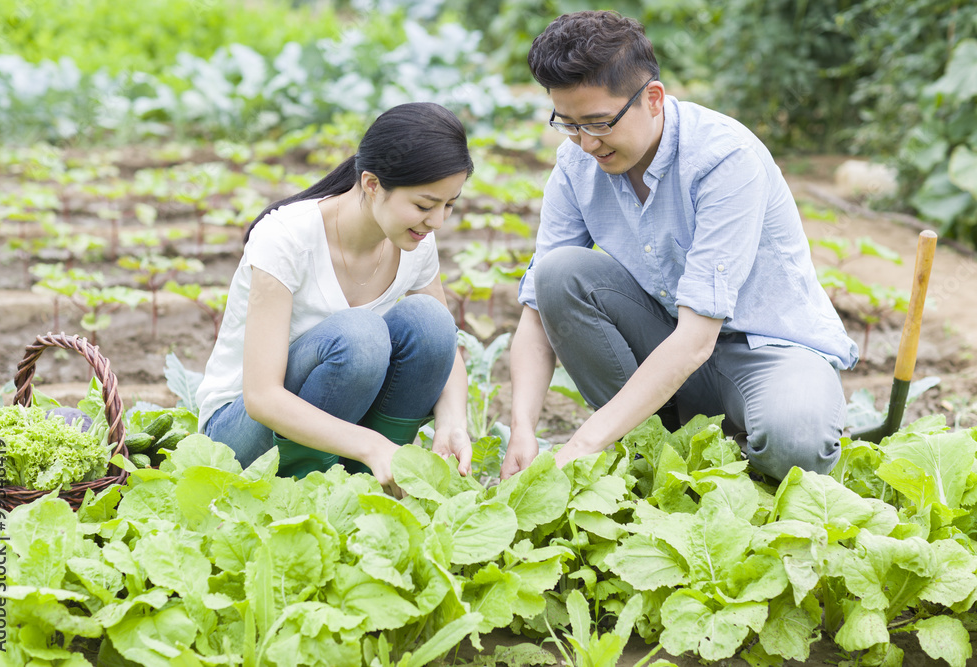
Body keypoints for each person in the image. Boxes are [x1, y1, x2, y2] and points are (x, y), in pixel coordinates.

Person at [501, 11, 859, 483]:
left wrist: (582, 443)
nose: (586, 143)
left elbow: (697, 338)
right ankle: (655, 446)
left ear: (652, 98)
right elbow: (535, 315)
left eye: (599, 123)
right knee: (557, 274)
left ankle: (739, 434)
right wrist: (521, 427)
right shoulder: (576, 164)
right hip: (668, 344)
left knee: (797, 444)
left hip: (765, 347)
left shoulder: (723, 159)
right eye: (567, 124)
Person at [196, 102, 474, 498]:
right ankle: (306, 484)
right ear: (372, 184)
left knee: (431, 321)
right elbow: (261, 397)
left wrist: (452, 423)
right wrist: (370, 443)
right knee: (360, 336)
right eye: (425, 206)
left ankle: (372, 481)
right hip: (240, 434)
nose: (438, 222)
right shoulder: (287, 238)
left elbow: (446, 352)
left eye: (450, 205)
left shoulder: (415, 242)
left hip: (344, 430)